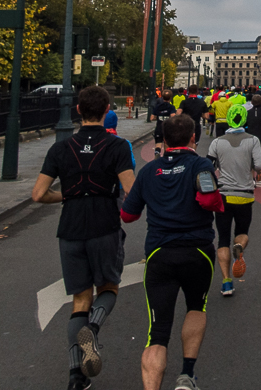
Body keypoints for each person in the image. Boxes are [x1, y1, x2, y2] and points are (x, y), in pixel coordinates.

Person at [32, 85, 136, 390]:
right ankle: (93, 326)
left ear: (78, 110)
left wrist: (67, 194)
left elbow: (38, 194)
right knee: (108, 287)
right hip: (104, 224)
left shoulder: (60, 149)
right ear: (107, 111)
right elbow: (131, 189)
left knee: (79, 298)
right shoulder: (117, 147)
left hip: (71, 228)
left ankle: (76, 376)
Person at [121, 114, 222, 390]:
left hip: (159, 254)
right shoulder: (201, 166)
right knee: (196, 307)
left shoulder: (148, 171)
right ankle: (186, 375)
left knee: (157, 334)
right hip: (197, 251)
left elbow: (128, 215)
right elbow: (211, 201)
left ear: (164, 140)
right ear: (194, 138)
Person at [207, 103, 261, 294]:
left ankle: (226, 282)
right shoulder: (253, 141)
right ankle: (239, 247)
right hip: (244, 195)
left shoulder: (217, 142)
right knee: (242, 232)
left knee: (222, 238)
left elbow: (209, 166)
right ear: (244, 119)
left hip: (223, 195)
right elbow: (259, 164)